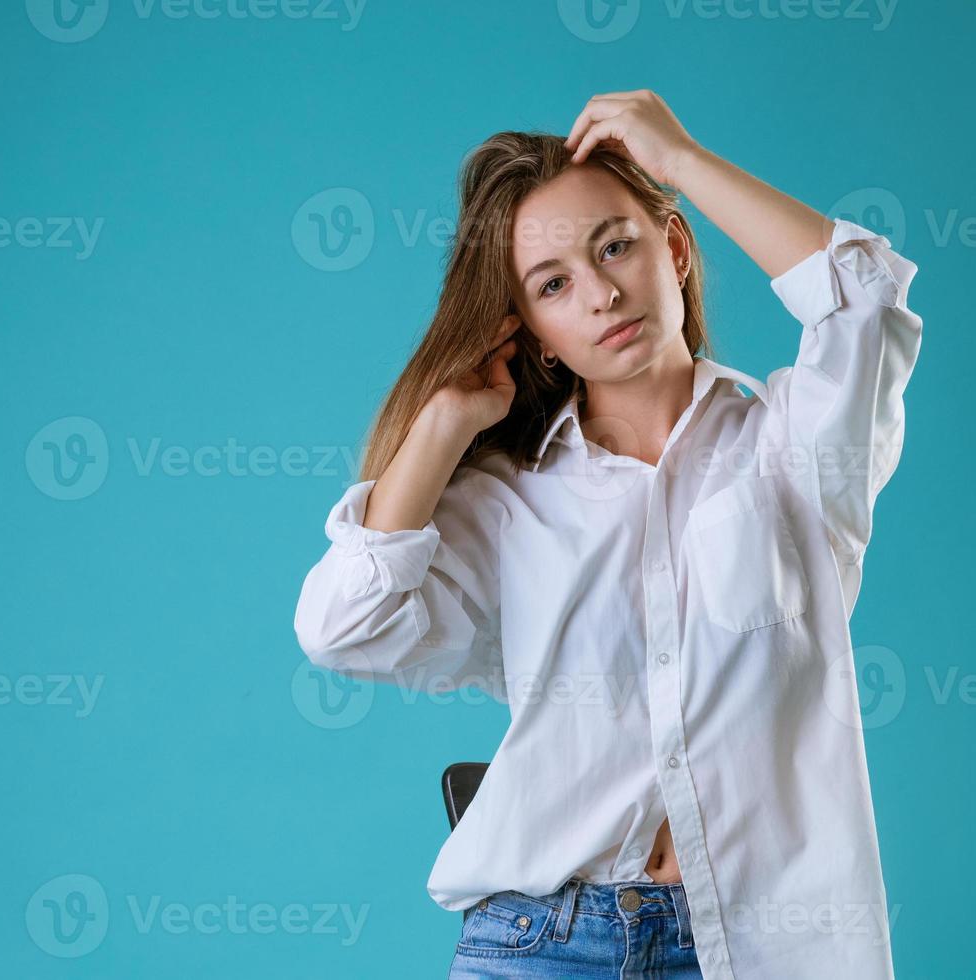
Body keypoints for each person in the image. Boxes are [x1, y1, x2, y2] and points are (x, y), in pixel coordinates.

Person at [293, 89, 921, 979]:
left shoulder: (795, 454)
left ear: (673, 246)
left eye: (616, 245)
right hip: (540, 945)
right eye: (554, 285)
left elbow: (865, 298)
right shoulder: (510, 500)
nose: (602, 294)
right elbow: (341, 629)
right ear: (534, 333)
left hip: (755, 949)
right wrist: (441, 426)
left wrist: (684, 162)